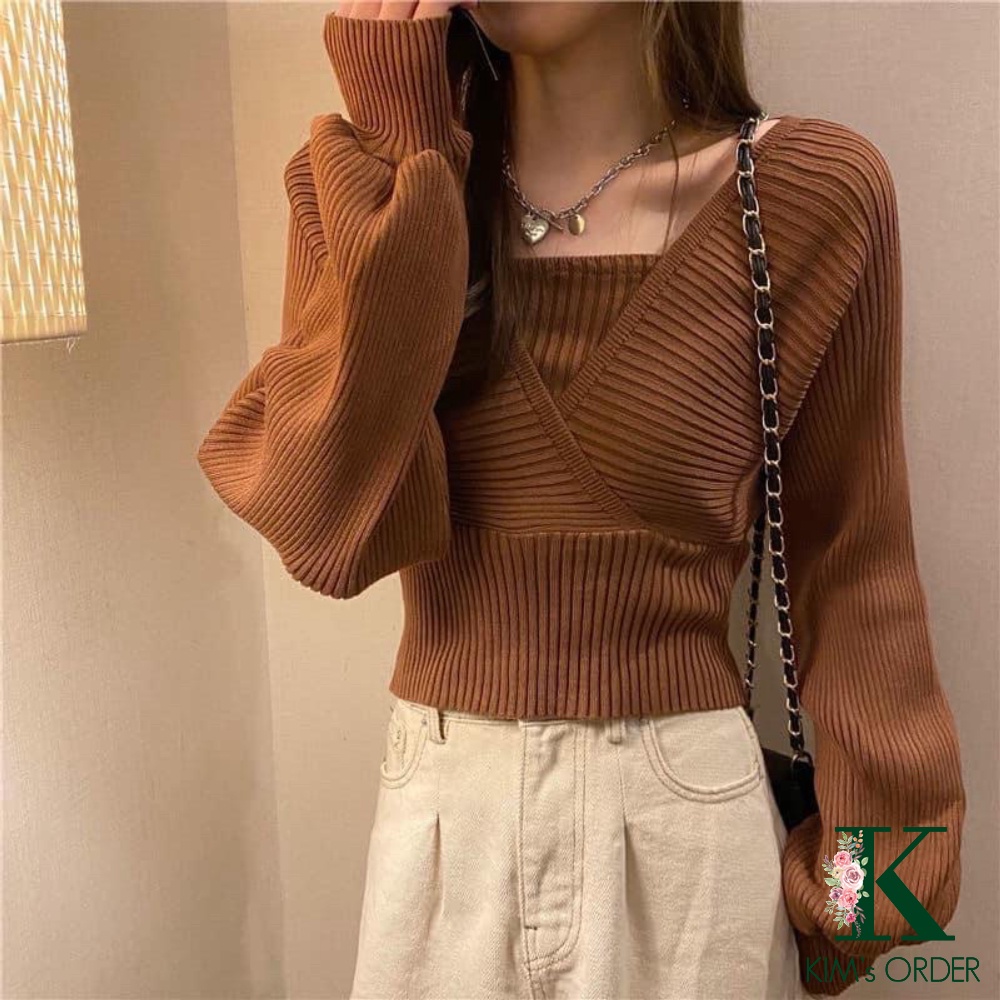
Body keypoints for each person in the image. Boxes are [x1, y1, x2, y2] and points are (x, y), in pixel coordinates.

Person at [196, 2, 966, 997]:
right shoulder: (364, 190)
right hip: (441, 829)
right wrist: (403, 148)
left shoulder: (807, 191)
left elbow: (857, 574)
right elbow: (327, 530)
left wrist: (865, 910)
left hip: (689, 846)